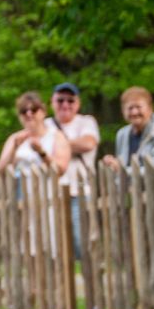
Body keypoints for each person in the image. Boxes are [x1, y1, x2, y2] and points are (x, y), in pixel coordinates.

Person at [50, 81, 100, 254]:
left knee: (81, 241)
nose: (65, 104)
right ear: (52, 102)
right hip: (52, 192)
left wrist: (56, 147)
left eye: (70, 100)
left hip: (80, 190)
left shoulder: (86, 122)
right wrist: (70, 146)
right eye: (60, 100)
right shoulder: (46, 124)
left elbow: (88, 143)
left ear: (78, 104)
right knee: (56, 243)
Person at [0, 93, 69, 180]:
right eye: (23, 111)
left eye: (34, 109)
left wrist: (41, 152)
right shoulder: (14, 138)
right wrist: (14, 148)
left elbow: (61, 170)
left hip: (49, 188)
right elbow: (1, 171)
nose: (29, 114)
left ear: (43, 112)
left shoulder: (57, 136)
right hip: (20, 187)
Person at [105, 87, 154, 170]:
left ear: (151, 109)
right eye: (130, 108)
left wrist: (122, 169)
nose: (134, 112)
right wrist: (112, 164)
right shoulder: (122, 134)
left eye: (138, 107)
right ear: (123, 111)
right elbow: (122, 166)